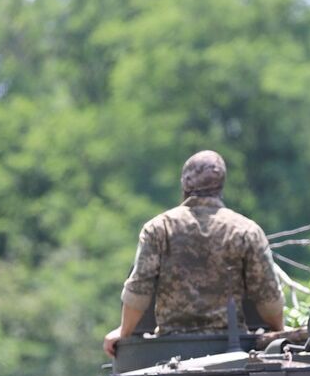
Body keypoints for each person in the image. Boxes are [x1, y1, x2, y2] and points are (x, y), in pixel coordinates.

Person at [104, 150, 284, 357]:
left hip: (170, 350)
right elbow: (268, 296)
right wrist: (279, 329)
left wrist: (123, 332)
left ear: (184, 184)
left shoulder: (159, 228)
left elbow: (139, 289)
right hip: (232, 349)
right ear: (221, 185)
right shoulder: (246, 231)